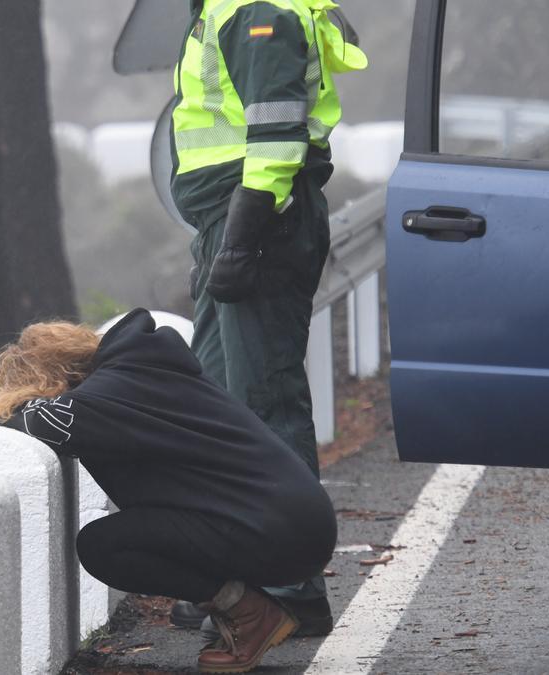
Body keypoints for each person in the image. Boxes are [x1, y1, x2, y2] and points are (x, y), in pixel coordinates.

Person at [0, 309, 336, 673]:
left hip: (281, 533)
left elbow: (27, 420)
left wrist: (5, 406)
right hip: (297, 519)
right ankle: (247, 609)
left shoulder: (109, 394)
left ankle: (251, 613)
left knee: (102, 545)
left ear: (51, 381)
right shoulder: (145, 369)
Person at [169, 0, 367, 634]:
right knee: (222, 401)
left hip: (259, 218)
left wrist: (242, 238)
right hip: (233, 219)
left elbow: (278, 136)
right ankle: (237, 577)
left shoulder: (258, 13)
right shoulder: (229, 10)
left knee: (263, 402)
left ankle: (290, 587)